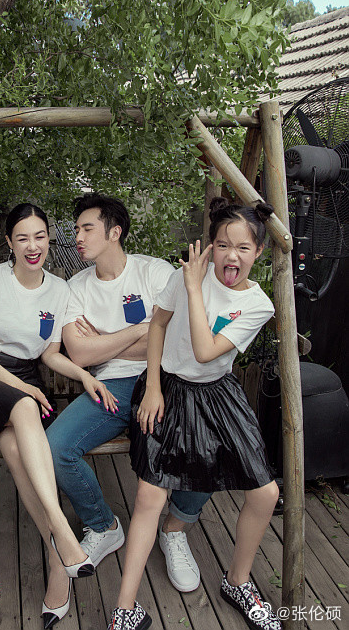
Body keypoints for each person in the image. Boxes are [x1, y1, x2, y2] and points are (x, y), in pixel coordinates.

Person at [0, 202, 117, 629]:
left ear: (49, 239)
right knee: (23, 406)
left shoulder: (59, 290)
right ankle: (63, 529)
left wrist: (83, 375)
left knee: (19, 453)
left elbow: (50, 354)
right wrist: (22, 389)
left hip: (21, 383)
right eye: (22, 238)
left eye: (39, 236)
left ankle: (58, 561)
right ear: (9, 243)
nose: (32, 246)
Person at [108, 198, 280, 630]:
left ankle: (238, 581)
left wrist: (194, 289)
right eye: (223, 245)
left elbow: (205, 352)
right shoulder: (182, 274)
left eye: (243, 247)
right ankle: (125, 609)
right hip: (168, 386)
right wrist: (151, 387)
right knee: (149, 496)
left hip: (217, 393)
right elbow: (158, 325)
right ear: (212, 245)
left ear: (258, 252)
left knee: (266, 493)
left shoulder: (257, 304)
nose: (231, 256)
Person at [47, 193, 211, 596]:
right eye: (77, 229)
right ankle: (103, 525)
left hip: (164, 379)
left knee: (207, 442)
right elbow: (80, 354)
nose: (78, 237)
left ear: (114, 232)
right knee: (55, 447)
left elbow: (179, 339)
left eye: (87, 228)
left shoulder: (154, 273)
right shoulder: (74, 288)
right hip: (111, 387)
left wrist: (106, 341)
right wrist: (144, 330)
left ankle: (175, 528)